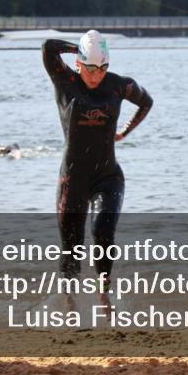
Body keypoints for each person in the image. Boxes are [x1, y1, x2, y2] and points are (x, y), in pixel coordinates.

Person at [42, 30, 153, 307]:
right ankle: (69, 303)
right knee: (72, 247)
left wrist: (125, 131)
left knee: (103, 230)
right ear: (79, 64)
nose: (96, 76)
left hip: (108, 176)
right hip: (72, 179)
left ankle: (104, 295)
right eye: (90, 69)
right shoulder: (65, 81)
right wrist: (79, 48)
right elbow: (48, 47)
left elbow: (146, 101)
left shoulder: (118, 86)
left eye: (102, 68)